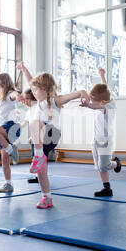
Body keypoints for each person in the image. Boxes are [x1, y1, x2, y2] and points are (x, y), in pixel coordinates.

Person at [25, 70, 90, 209]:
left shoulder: (55, 100)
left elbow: (72, 95)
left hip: (52, 133)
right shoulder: (39, 104)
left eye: (36, 90)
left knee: (34, 123)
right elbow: (30, 83)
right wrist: (24, 70)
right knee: (40, 172)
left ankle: (38, 156)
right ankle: (46, 197)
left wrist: (82, 92)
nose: (33, 93)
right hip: (41, 139)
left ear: (45, 89)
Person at [79, 68, 121, 197]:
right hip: (95, 139)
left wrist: (88, 105)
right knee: (99, 166)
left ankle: (116, 163)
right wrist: (102, 75)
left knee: (105, 165)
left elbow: (98, 106)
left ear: (102, 101)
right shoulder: (104, 99)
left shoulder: (109, 106)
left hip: (106, 140)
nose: (91, 101)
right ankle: (107, 188)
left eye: (92, 99)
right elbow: (105, 89)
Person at [0, 72, 23, 193]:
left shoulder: (9, 94)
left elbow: (14, 94)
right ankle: (8, 183)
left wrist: (18, 95)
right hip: (4, 130)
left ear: (3, 84)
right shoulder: (0, 98)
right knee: (4, 159)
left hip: (12, 126)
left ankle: (10, 149)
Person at [20, 88, 39, 184]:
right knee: (35, 156)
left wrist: (34, 136)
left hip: (39, 136)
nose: (25, 101)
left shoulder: (37, 108)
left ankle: (40, 176)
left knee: (39, 156)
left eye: (27, 98)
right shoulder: (29, 110)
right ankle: (37, 176)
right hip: (34, 136)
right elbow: (26, 122)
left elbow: (39, 123)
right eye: (25, 98)